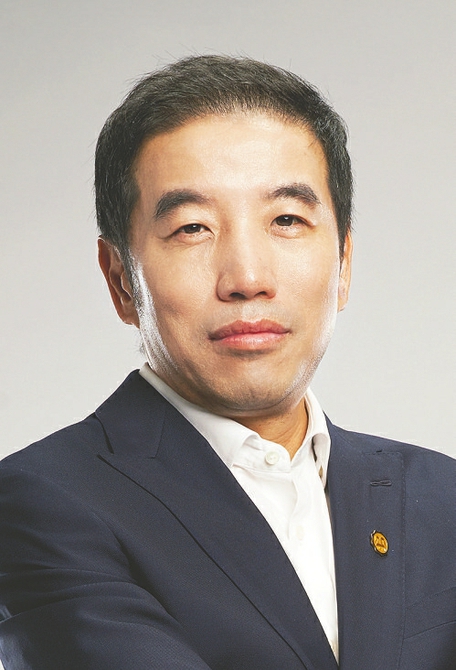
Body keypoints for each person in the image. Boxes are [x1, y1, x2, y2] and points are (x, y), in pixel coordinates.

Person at [0, 55, 455, 670]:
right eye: (193, 228)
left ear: (344, 263)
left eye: (286, 219)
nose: (247, 277)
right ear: (120, 280)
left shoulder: (440, 495)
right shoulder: (42, 503)